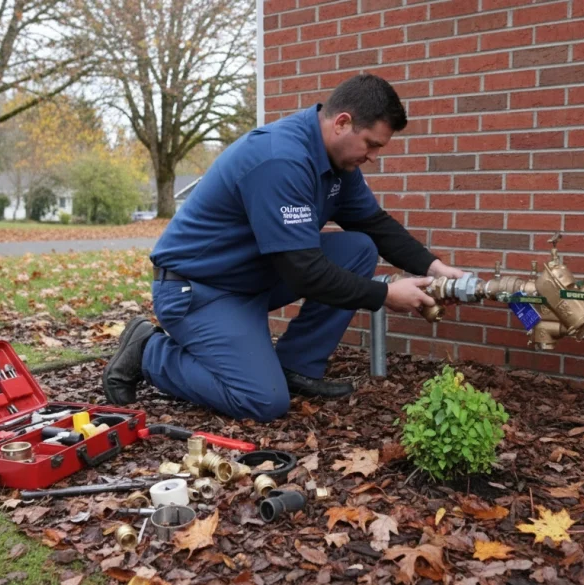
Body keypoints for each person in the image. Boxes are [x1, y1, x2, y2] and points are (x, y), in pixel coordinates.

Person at [103, 73, 463, 422]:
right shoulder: (281, 159)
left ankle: (296, 367)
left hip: (250, 277)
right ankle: (148, 351)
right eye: (371, 144)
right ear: (342, 123)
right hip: (198, 289)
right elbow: (305, 273)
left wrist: (434, 268)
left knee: (359, 248)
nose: (373, 156)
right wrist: (384, 295)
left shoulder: (339, 165)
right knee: (261, 400)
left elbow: (375, 224)